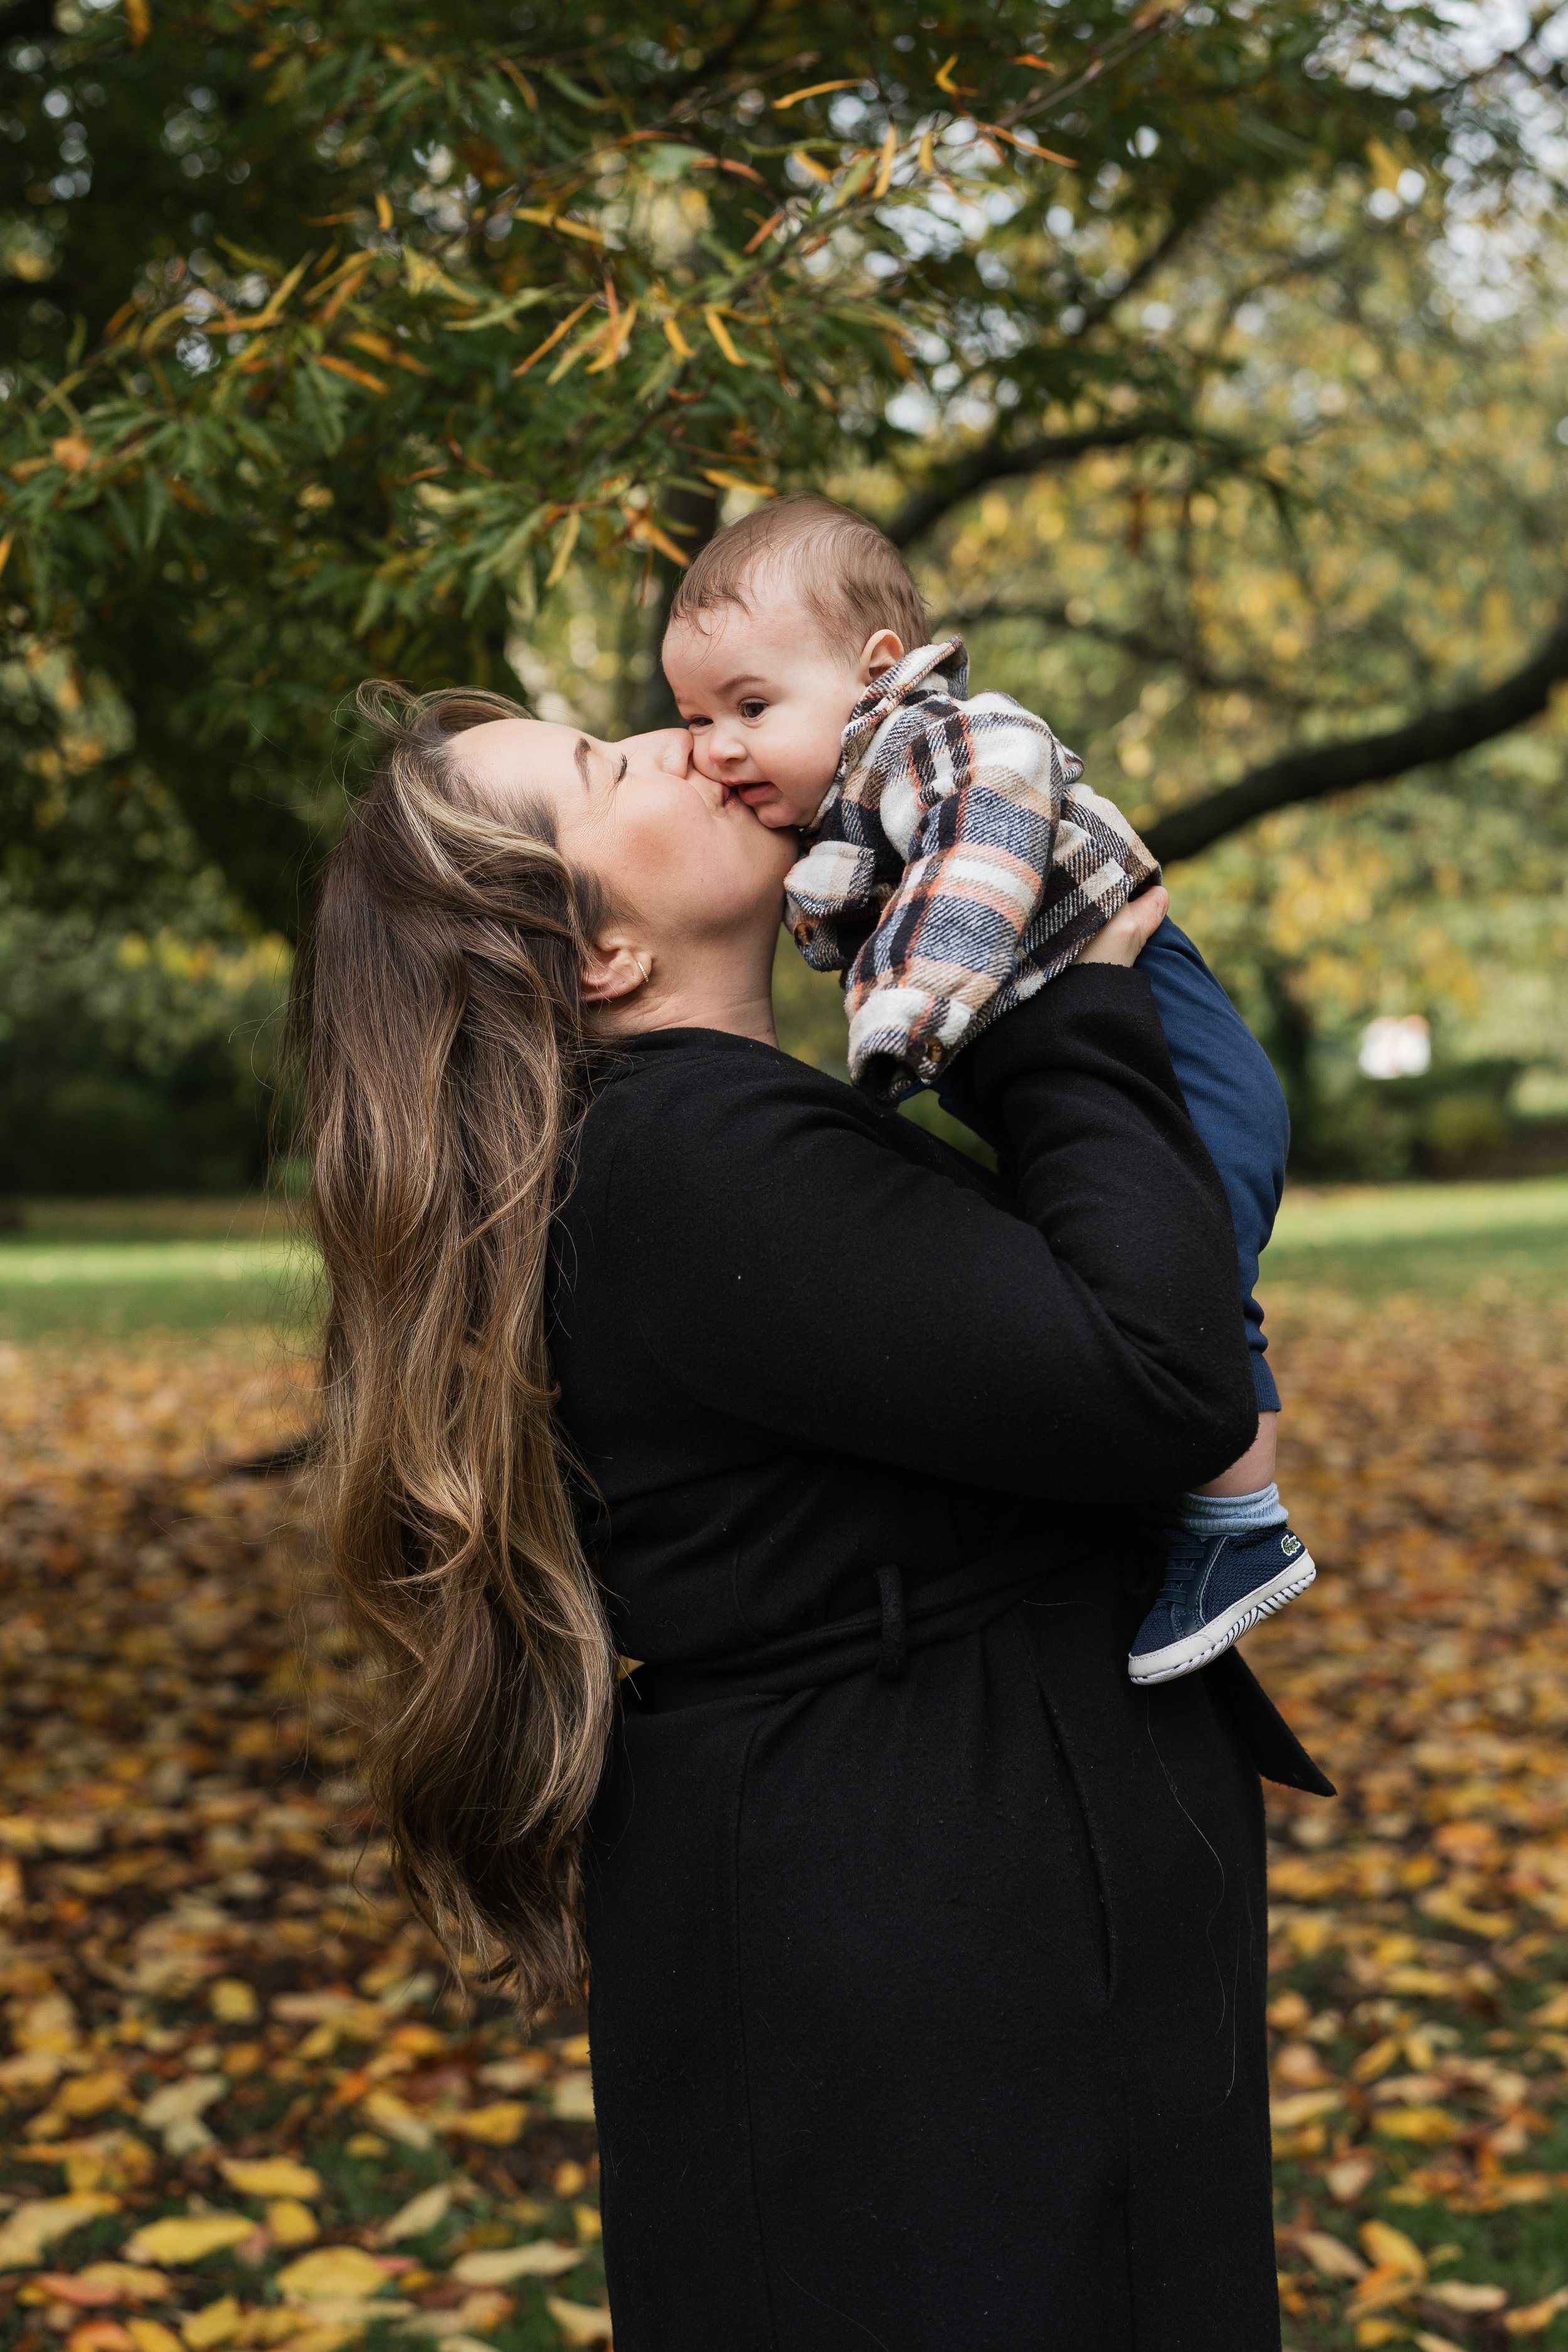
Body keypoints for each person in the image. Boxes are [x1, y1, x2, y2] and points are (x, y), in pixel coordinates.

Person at [294, 681, 1330, 2351]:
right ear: (593, 957)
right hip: (928, 1923)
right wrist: (1071, 987)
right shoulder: (688, 1156)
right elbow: (1159, 1366)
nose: (678, 740)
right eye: (599, 764)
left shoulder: (686, 1142)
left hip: (913, 1883)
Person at [662, 494, 1313, 1687]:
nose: (716, 747)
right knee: (1128, 1268)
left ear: (875, 670)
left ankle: (1240, 1527)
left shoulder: (949, 738)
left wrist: (906, 1014)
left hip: (1173, 1047)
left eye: (751, 707)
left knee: (1195, 1272)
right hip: (1088, 1063)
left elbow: (987, 851)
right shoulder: (854, 796)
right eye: (693, 718)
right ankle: (1206, 1511)